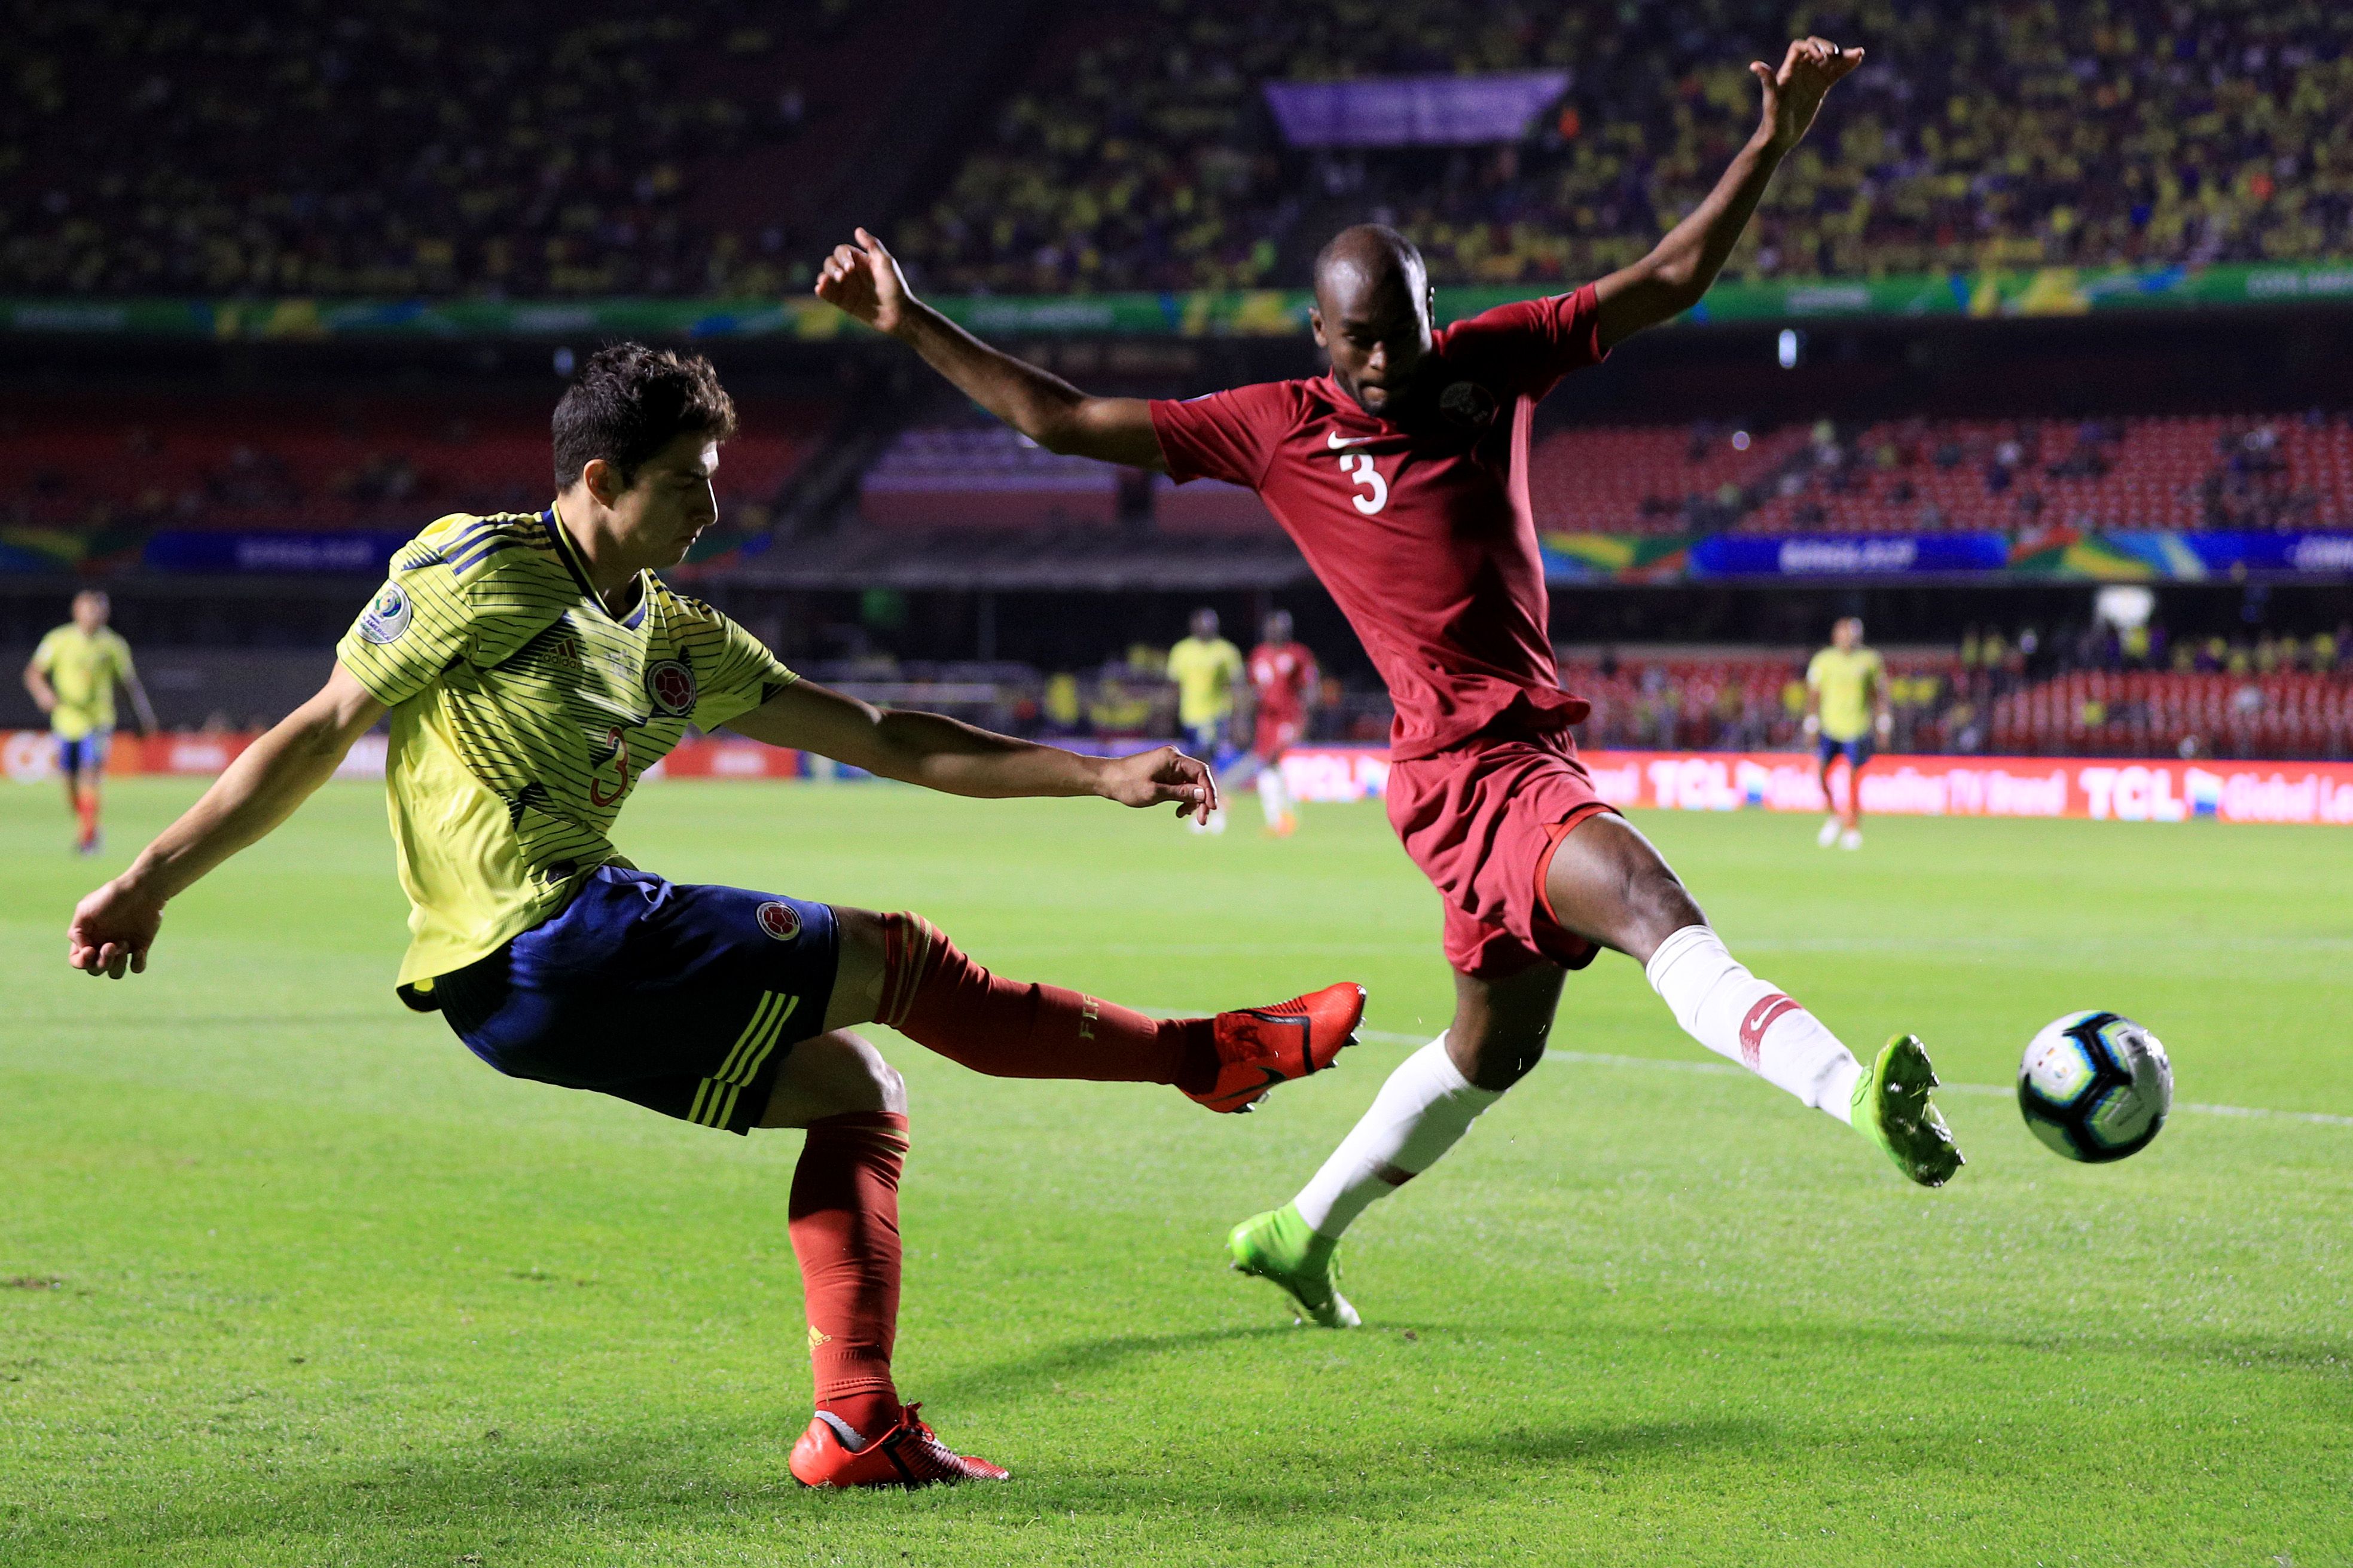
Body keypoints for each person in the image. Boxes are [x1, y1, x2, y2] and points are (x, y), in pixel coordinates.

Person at [816, 34, 1960, 1335]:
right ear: (1318, 334)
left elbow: (1669, 277)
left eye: (1403, 335)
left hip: (1496, 761)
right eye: (1359, 344)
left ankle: (1299, 1231)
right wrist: (910, 323)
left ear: (1432, 312)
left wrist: (1769, 142)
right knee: (1644, 898)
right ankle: (1848, 1091)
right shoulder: (1272, 426)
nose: (1384, 366)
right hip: (1474, 771)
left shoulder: (1493, 361)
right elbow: (1065, 422)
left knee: (1493, 1050)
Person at [65, 344, 1366, 1482]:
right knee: (897, 956)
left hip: (531, 999)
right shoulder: (475, 572)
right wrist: (148, 880)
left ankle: (855, 1427)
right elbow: (311, 735)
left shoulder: (682, 637)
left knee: (855, 1090)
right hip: (543, 936)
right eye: (687, 476)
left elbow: (882, 735)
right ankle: (1204, 1057)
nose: (711, 500)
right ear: (596, 481)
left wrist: (1092, 773)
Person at [24, 589, 157, 855]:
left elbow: (128, 684)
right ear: (76, 611)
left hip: (98, 722)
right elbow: (34, 673)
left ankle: (89, 838)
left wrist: (144, 717)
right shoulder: (58, 640)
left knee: (90, 775)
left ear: (106, 614)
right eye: (89, 609)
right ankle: (85, 825)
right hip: (65, 722)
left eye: (99, 610)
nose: (94, 615)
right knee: (69, 781)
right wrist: (44, 694)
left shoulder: (113, 645)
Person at [1804, 616, 1891, 850]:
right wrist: (1811, 723)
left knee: (1853, 780)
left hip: (1857, 727)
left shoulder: (1869, 660)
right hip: (1831, 727)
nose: (1847, 639)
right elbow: (1814, 694)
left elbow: (1877, 694)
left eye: (1851, 634)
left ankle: (1852, 828)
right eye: (1843, 634)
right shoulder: (1823, 660)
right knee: (1821, 774)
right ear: (1835, 636)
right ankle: (1835, 814)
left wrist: (1883, 723)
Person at [1232, 610, 1320, 837]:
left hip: (1288, 719)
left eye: (1281, 627)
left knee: (1270, 764)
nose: (1277, 631)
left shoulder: (1298, 654)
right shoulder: (1259, 654)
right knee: (1273, 769)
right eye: (1273, 627)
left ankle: (1278, 821)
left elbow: (1310, 686)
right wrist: (1243, 719)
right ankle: (1287, 818)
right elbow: (1251, 689)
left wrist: (1306, 718)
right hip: (1266, 721)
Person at [1164, 607, 1244, 835]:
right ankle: (1209, 806)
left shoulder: (1225, 652)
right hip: (1189, 716)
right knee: (1196, 765)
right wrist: (1168, 717)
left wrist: (1239, 719)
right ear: (1193, 626)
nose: (1206, 628)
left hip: (1214, 715)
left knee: (1204, 762)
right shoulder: (1182, 651)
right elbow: (1174, 685)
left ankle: (1214, 807)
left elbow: (1237, 686)